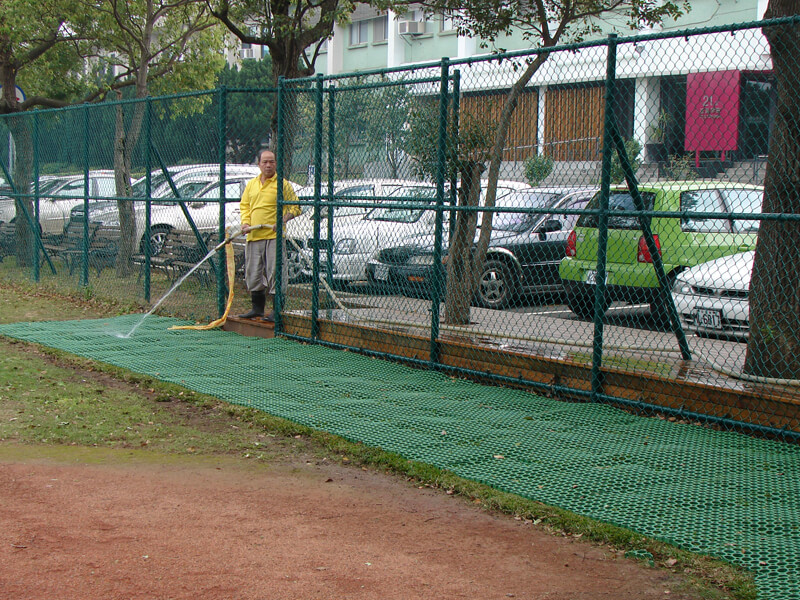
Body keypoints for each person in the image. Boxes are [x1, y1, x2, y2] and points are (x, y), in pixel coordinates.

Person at [237, 149, 302, 321]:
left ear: (275, 164)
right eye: (265, 162)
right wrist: (245, 223)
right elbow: (245, 206)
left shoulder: (283, 184)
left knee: (276, 271)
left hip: (274, 237)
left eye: (271, 161)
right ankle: (257, 309)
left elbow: (295, 207)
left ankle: (277, 311)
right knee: (253, 272)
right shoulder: (251, 184)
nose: (268, 165)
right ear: (259, 164)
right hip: (254, 236)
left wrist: (282, 220)